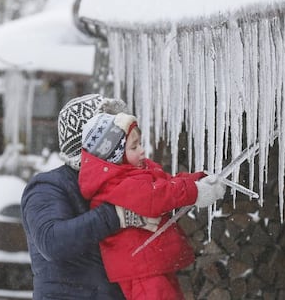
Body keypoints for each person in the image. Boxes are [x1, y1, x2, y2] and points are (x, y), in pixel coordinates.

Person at [20, 94, 162, 300]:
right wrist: (116, 216)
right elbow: (52, 241)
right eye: (114, 134)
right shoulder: (48, 186)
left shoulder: (119, 185)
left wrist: (194, 189)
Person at [78, 112, 226, 300]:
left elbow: (168, 183)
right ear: (115, 156)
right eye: (134, 147)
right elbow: (156, 197)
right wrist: (195, 192)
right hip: (140, 271)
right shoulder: (117, 184)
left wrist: (197, 180)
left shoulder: (136, 171)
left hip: (152, 265)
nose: (142, 150)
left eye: (140, 143)